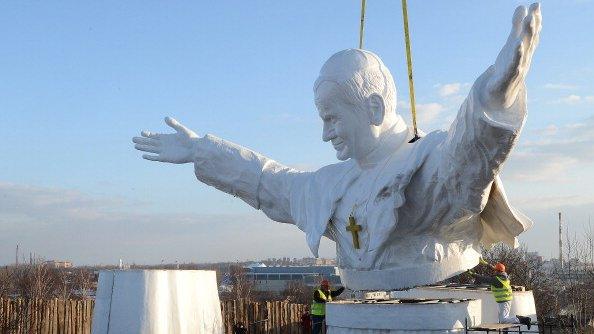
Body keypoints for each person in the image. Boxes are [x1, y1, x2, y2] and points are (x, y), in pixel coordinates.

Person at [133, 5, 542, 291]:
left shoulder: (427, 160)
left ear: (374, 107)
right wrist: (202, 150)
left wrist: (494, 95)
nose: (326, 135)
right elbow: (265, 181)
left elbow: (467, 158)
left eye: (332, 118)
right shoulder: (331, 183)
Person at [468, 259, 532, 328]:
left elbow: (484, 279)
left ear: (497, 271)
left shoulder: (497, 280)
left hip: (504, 301)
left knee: (503, 320)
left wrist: (473, 274)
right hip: (504, 300)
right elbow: (494, 268)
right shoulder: (504, 275)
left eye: (495, 270)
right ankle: (518, 320)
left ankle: (522, 319)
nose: (494, 271)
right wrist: (486, 263)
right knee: (502, 319)